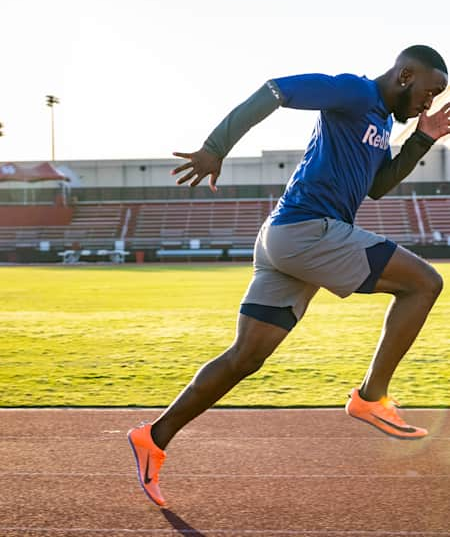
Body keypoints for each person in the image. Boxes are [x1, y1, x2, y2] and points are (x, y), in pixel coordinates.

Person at [128, 45, 449, 506]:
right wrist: (216, 148)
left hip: (287, 238)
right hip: (307, 231)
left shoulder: (378, 120)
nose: (429, 104)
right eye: (429, 93)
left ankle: (153, 437)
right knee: (424, 283)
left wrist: (423, 137)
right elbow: (276, 90)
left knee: (245, 357)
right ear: (405, 76)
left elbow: (377, 188)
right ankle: (371, 397)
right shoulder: (354, 91)